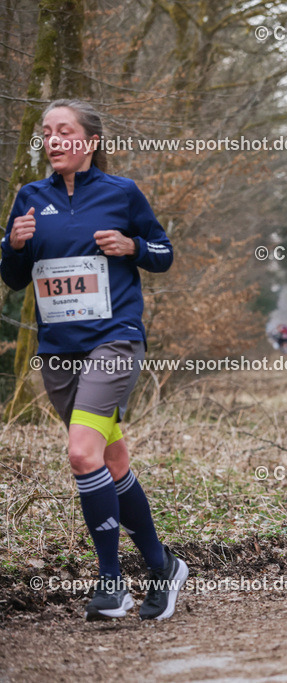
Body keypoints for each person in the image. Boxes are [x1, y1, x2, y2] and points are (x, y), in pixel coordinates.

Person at [0, 99, 188, 619]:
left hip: (115, 338)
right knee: (111, 461)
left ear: (91, 141)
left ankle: (112, 582)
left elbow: (164, 253)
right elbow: (13, 278)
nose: (53, 140)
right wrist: (13, 245)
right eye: (46, 132)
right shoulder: (30, 198)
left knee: (82, 454)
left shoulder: (121, 192)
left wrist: (132, 247)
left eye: (64, 130)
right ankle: (162, 565)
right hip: (59, 350)